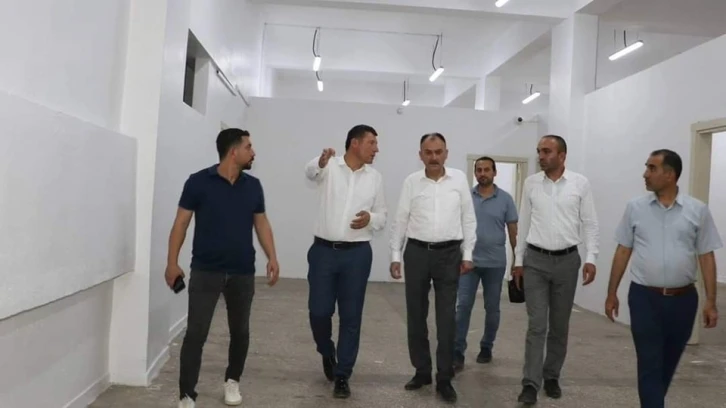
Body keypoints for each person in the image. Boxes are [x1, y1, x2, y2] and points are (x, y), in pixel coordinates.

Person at [165, 128, 280, 408]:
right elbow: (181, 223)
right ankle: (186, 394)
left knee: (240, 331)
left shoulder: (253, 186)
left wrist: (272, 257)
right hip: (206, 270)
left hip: (242, 271)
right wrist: (171, 262)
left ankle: (232, 381)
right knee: (196, 334)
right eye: (249, 147)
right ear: (233, 151)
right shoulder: (197, 182)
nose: (253, 152)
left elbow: (261, 223)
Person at [605, 149, 721, 408]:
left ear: (670, 175)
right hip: (644, 298)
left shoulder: (697, 210)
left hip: (683, 300)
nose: (645, 174)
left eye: (652, 168)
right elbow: (623, 251)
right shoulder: (635, 208)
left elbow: (706, 256)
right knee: (649, 362)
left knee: (668, 363)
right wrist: (611, 293)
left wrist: (711, 301)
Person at [390, 132, 477, 403]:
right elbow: (401, 218)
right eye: (428, 152)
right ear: (421, 155)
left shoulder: (459, 180)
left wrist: (468, 253)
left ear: (446, 154)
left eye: (438, 152)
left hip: (449, 255)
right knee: (416, 315)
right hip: (416, 253)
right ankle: (422, 371)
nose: (434, 157)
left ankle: (444, 378)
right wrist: (395, 254)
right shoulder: (411, 182)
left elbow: (468, 218)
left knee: (446, 318)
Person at [512, 135, 599, 405]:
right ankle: (530, 383)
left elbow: (590, 223)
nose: (541, 156)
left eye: (547, 151)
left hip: (567, 262)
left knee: (560, 326)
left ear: (562, 155)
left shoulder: (580, 184)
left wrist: (591, 257)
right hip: (535, 261)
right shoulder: (531, 183)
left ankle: (551, 376)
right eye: (539, 151)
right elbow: (524, 222)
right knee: (537, 325)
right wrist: (518, 261)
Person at [304, 124, 386, 399]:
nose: (376, 149)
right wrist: (320, 161)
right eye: (372, 143)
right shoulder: (329, 166)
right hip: (323, 252)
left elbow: (382, 215)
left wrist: (371, 218)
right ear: (355, 143)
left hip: (357, 255)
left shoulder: (375, 178)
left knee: (351, 316)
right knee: (319, 312)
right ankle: (327, 351)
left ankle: (342, 375)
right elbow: (310, 172)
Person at [453, 156, 518, 371]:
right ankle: (457, 351)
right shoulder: (466, 197)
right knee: (463, 307)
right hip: (468, 263)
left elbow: (513, 232)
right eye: (479, 170)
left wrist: (517, 260)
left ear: (494, 172)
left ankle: (486, 346)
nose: (482, 173)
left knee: (492, 308)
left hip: (495, 264)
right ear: (475, 173)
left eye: (487, 170)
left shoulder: (506, 199)